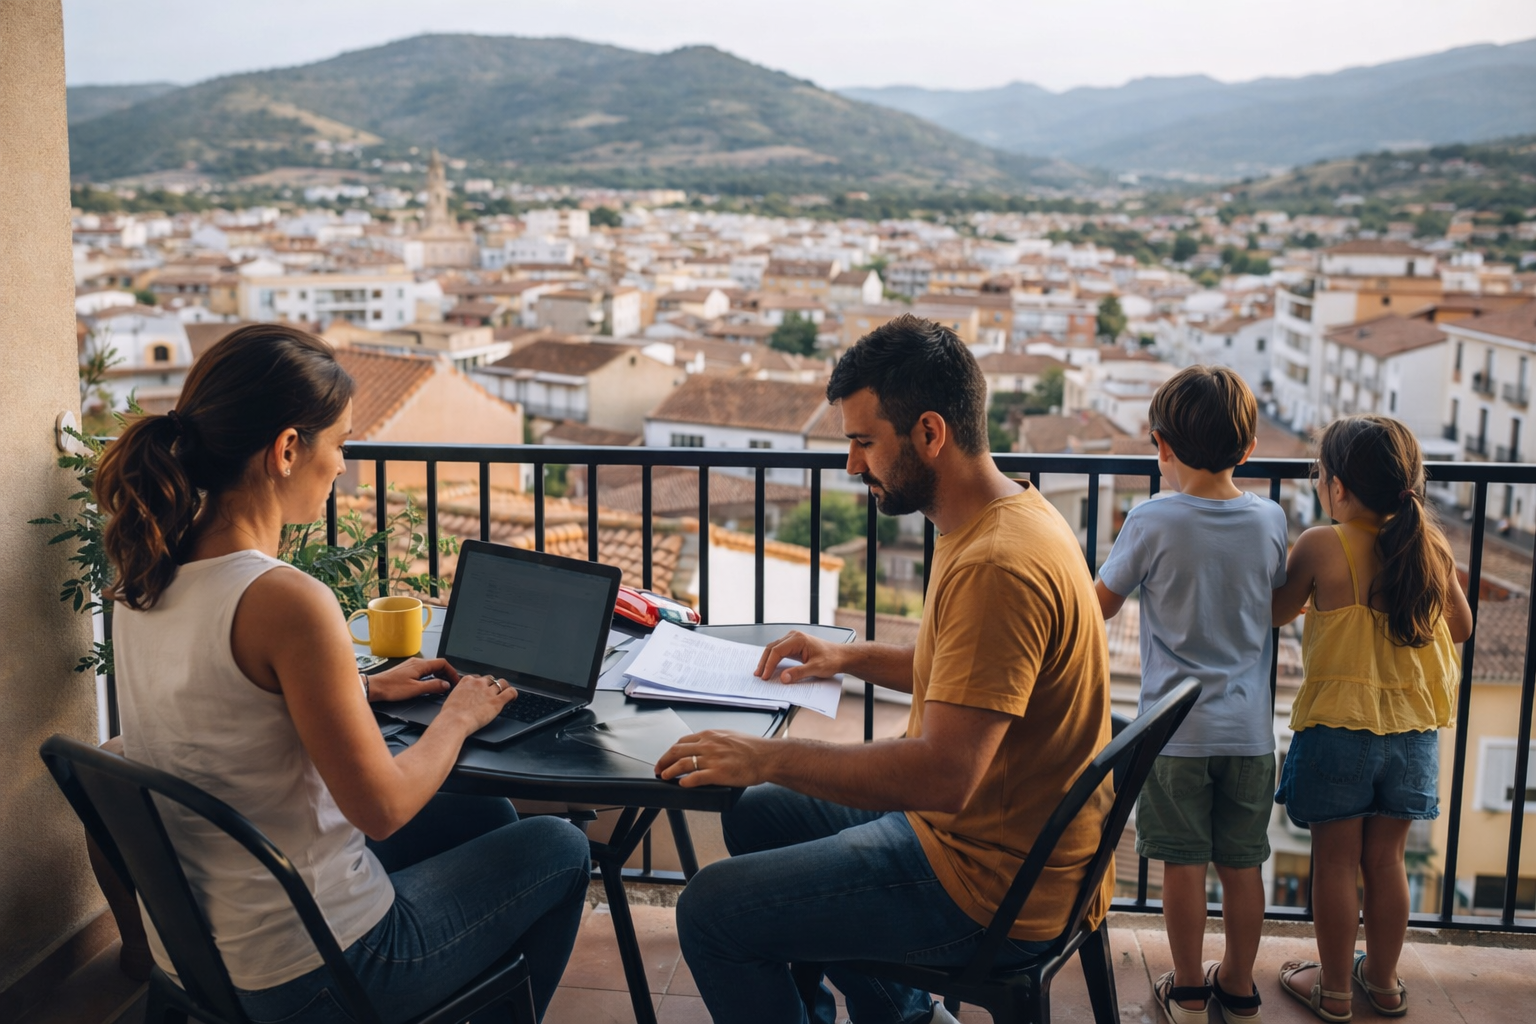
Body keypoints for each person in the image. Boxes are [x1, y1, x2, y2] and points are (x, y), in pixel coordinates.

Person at [95, 324, 592, 1023]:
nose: (346, 467)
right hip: (321, 971)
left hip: (206, 954)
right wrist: (460, 715)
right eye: (341, 445)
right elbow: (381, 809)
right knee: (560, 846)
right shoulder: (287, 600)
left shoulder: (148, 570)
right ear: (288, 449)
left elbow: (213, 702)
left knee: (484, 813)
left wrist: (357, 687)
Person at [654, 314, 1114, 1024]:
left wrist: (766, 755)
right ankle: (906, 1016)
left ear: (930, 433)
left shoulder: (997, 565)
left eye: (864, 442)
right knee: (758, 815)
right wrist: (848, 657)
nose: (850, 466)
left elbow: (943, 776)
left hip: (989, 883)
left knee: (711, 913)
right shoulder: (1007, 514)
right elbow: (969, 675)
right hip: (1003, 844)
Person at [1095, 366, 1288, 1024]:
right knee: (1243, 864)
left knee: (1182, 865)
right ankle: (1237, 985)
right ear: (1249, 449)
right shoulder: (1271, 519)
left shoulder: (1151, 518)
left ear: (1161, 444)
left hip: (1175, 733)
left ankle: (1185, 988)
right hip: (1251, 733)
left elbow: (1099, 603)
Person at [1271, 415, 1473, 1022]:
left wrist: (1316, 600)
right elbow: (1460, 627)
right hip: (1412, 734)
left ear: (1337, 488)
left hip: (1339, 728)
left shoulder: (1320, 545)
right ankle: (1382, 983)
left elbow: (1276, 614)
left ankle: (1333, 991)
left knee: (1334, 862)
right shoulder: (1428, 545)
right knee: (1385, 862)